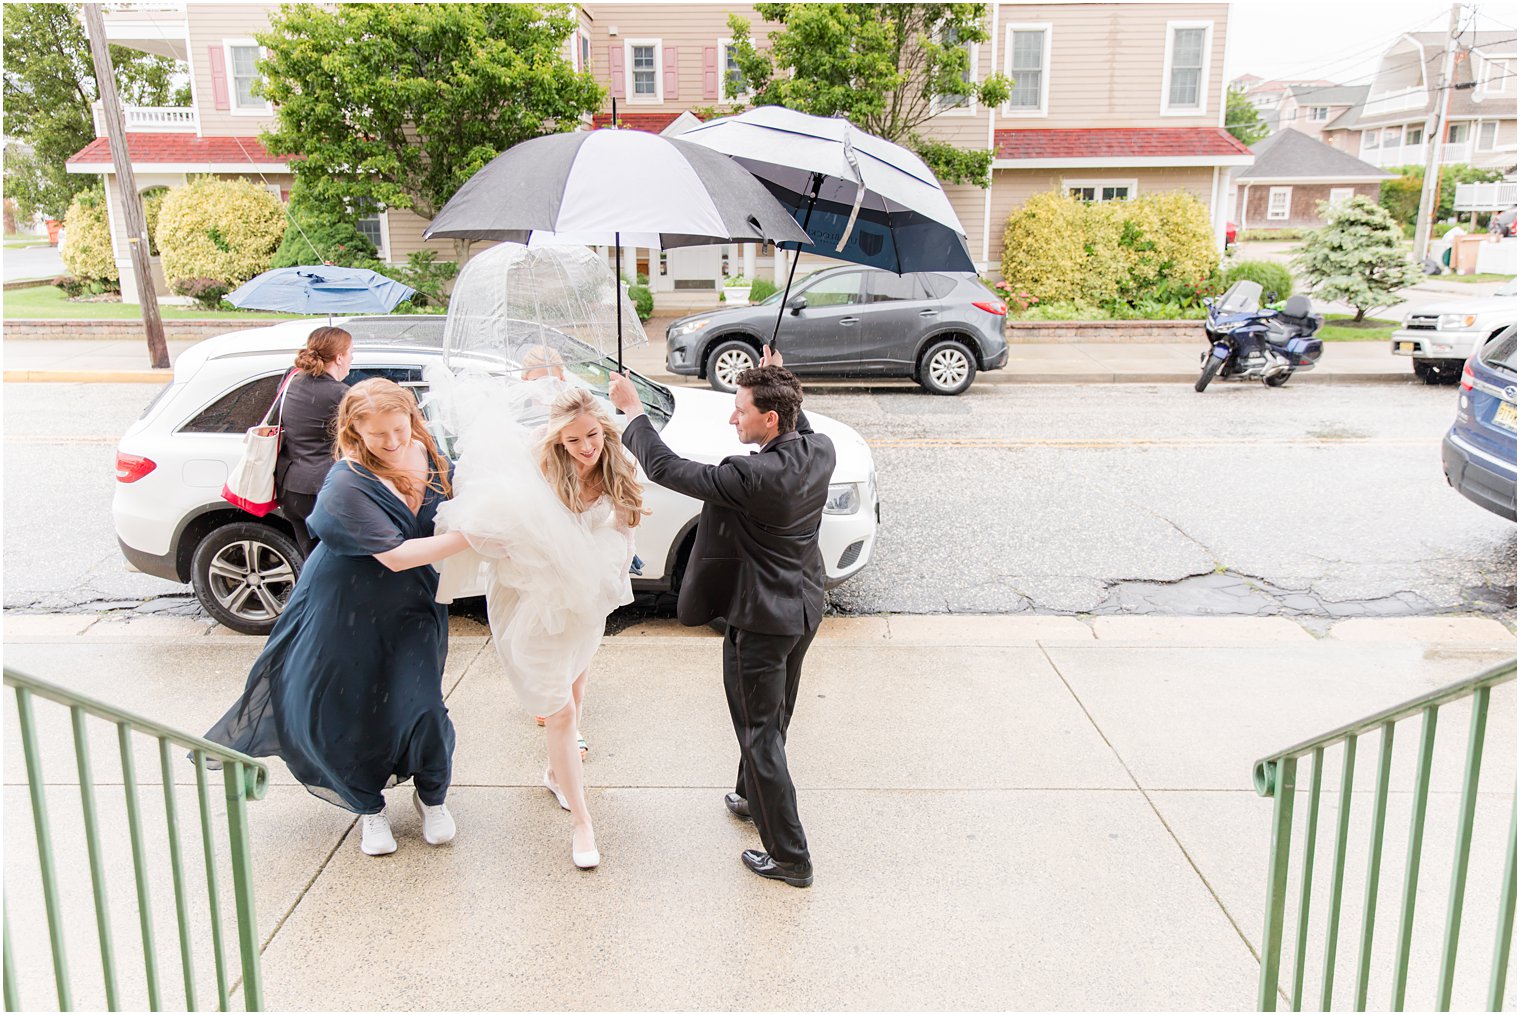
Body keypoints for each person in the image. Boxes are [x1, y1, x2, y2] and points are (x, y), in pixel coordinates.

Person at [203, 378, 469, 857]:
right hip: (343, 606)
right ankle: (368, 807)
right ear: (355, 432)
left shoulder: (432, 457)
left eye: (399, 428)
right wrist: (479, 536)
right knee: (351, 708)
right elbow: (395, 555)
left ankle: (433, 796)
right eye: (378, 434)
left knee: (423, 703)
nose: (392, 441)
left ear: (412, 417)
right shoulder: (346, 482)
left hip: (413, 605)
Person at [609, 347, 834, 889]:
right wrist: (775, 372)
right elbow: (796, 418)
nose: (733, 417)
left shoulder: (751, 476)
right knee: (773, 715)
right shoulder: (818, 450)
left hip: (761, 619)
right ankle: (750, 797)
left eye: (741, 409)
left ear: (770, 419)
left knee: (760, 731)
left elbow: (665, 467)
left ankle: (790, 857)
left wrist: (632, 413)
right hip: (803, 606)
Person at [434, 383, 644, 870]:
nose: (586, 448)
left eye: (592, 435)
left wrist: (609, 575)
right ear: (557, 441)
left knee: (578, 679)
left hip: (587, 597)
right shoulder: (538, 466)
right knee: (561, 709)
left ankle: (556, 771)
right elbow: (493, 527)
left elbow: (628, 526)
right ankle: (583, 825)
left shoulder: (619, 462)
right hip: (533, 600)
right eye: (573, 441)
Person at [276, 326, 353, 556]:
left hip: (291, 489)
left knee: (312, 560)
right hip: (322, 490)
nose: (352, 359)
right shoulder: (341, 394)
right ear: (339, 357)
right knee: (334, 564)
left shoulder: (292, 378)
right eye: (350, 353)